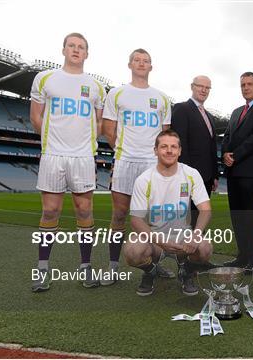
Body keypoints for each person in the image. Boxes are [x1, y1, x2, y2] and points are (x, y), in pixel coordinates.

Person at [30, 33, 106, 292]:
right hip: (53, 155)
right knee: (50, 211)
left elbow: (98, 121)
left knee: (84, 211)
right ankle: (42, 269)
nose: (76, 50)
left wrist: (87, 144)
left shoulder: (95, 86)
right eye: (71, 46)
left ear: (87, 54)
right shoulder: (45, 79)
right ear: (63, 50)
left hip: (83, 157)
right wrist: (54, 142)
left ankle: (85, 268)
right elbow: (36, 117)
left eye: (81, 47)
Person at [101, 48, 173, 286]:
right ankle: (113, 267)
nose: (142, 64)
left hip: (152, 165)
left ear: (151, 67)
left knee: (153, 219)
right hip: (125, 162)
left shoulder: (162, 98)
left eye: (146, 61)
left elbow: (165, 135)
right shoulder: (117, 94)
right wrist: (125, 150)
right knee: (120, 215)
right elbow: (108, 130)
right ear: (130, 64)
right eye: (137, 60)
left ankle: (152, 267)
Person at [124, 129, 213, 296]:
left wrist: (195, 235)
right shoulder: (144, 179)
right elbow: (136, 220)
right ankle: (150, 270)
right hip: (155, 239)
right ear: (155, 150)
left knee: (205, 248)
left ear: (180, 151)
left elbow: (206, 210)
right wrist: (160, 241)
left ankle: (186, 270)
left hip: (183, 239)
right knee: (132, 251)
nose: (169, 150)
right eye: (164, 146)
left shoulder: (191, 174)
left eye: (173, 147)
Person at [221, 72, 253, 273]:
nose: (245, 87)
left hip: (249, 171)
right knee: (237, 216)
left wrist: (235, 155)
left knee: (250, 216)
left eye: (249, 84)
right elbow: (227, 136)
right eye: (242, 84)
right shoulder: (236, 112)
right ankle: (242, 256)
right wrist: (225, 153)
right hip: (233, 170)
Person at [171, 75, 218, 227]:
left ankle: (195, 248)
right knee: (186, 219)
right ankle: (179, 249)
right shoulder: (182, 108)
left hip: (207, 177)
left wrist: (215, 175)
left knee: (200, 219)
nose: (204, 90)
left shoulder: (209, 116)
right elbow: (180, 143)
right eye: (200, 86)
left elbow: (212, 147)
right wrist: (187, 174)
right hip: (189, 175)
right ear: (192, 87)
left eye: (207, 88)